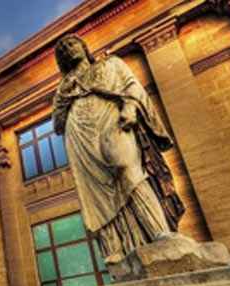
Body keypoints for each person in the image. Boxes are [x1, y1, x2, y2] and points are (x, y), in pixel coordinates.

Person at [52, 34, 184, 265]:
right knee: (96, 194)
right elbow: (57, 124)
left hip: (112, 119)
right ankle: (118, 251)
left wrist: (131, 107)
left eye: (71, 44)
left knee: (126, 167)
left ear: (84, 46)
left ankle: (160, 232)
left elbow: (132, 85)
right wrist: (65, 96)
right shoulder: (63, 88)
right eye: (62, 50)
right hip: (80, 135)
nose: (67, 49)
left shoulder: (110, 64)